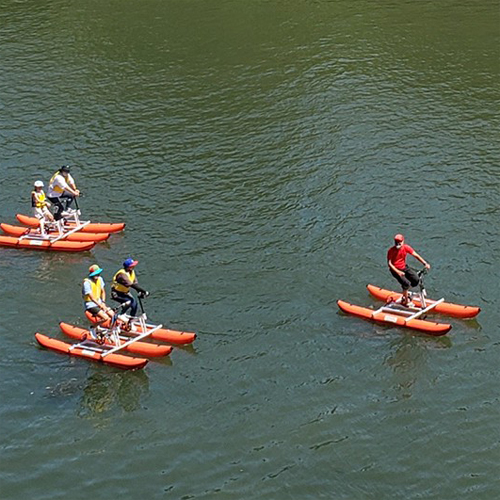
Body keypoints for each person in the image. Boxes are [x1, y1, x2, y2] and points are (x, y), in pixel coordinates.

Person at [387, 234, 431, 306]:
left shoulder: (406, 248)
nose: (398, 244)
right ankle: (406, 302)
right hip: (395, 270)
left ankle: (405, 292)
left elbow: (416, 255)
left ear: (403, 241)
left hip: (404, 267)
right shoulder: (391, 251)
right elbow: (389, 264)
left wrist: (425, 263)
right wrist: (398, 272)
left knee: (416, 279)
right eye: (396, 242)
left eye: (399, 242)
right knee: (406, 283)